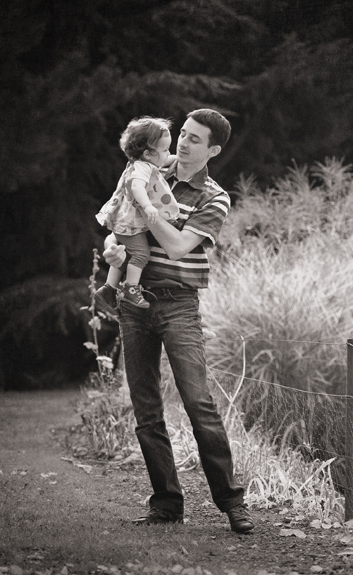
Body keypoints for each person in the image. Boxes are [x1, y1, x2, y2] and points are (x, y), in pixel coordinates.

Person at [102, 108, 254, 534]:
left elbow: (178, 246)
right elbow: (119, 224)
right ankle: (167, 504)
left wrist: (148, 210)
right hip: (134, 303)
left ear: (213, 150)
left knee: (198, 403)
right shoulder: (145, 170)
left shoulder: (214, 197)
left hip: (178, 305)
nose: (183, 143)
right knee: (146, 408)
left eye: (194, 139)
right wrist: (114, 247)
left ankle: (232, 503)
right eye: (182, 134)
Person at [94, 116, 180, 312]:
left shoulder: (142, 162)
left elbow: (163, 160)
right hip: (130, 223)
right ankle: (130, 288)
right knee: (141, 254)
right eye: (165, 150)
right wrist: (147, 206)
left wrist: (178, 159)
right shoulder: (142, 169)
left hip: (125, 222)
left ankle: (108, 289)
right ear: (148, 154)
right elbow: (137, 187)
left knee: (126, 253)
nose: (169, 153)